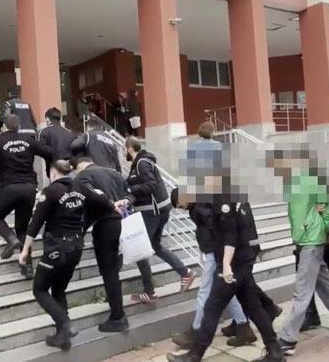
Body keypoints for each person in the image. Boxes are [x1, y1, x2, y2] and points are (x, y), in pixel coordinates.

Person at [166, 193, 285, 361]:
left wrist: (226, 264)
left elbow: (230, 232)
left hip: (235, 261)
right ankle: (274, 351)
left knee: (212, 308)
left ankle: (194, 355)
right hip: (242, 258)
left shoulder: (221, 198)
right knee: (253, 307)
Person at [19, 160, 121, 350]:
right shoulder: (81, 187)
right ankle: (62, 336)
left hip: (56, 248)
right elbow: (102, 200)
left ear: (53, 173)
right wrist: (114, 206)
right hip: (76, 248)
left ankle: (65, 325)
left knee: (39, 289)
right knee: (58, 289)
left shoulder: (50, 191)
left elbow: (35, 222)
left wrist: (25, 250)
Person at [265, 150, 329, 356]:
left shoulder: (315, 180)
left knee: (302, 292)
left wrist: (327, 229)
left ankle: (287, 338)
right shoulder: (294, 183)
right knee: (327, 287)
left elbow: (327, 208)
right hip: (306, 240)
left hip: (312, 240)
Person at [123, 137, 197, 304]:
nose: (123, 151)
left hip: (152, 212)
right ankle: (185, 272)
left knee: (140, 249)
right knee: (155, 245)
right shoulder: (143, 162)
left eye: (124, 148)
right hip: (160, 210)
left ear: (129, 148)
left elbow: (150, 184)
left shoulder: (141, 163)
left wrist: (130, 189)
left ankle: (149, 291)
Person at [0, 115, 52, 280]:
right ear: (19, 126)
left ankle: (10, 239)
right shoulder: (28, 140)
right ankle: (28, 268)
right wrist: (52, 174)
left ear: (4, 127)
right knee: (23, 227)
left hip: (10, 188)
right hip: (29, 189)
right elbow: (50, 152)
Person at [73, 156, 131, 332]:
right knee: (113, 271)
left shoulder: (83, 176)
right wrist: (124, 202)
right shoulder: (114, 173)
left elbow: (91, 199)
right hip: (122, 225)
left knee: (109, 272)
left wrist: (79, 233)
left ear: (79, 166)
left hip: (105, 226)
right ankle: (116, 308)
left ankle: (118, 317)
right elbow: (130, 193)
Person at [38, 108, 77, 178]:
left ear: (47, 119)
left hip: (53, 169)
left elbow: (40, 149)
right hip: (69, 168)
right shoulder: (70, 133)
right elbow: (75, 151)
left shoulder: (43, 131)